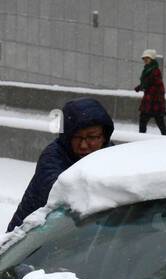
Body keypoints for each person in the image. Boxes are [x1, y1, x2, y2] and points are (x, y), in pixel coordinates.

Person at [7, 98, 113, 231]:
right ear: (66, 137)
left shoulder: (110, 154)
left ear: (104, 137)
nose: (84, 145)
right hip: (30, 237)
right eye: (77, 137)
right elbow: (68, 199)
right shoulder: (53, 158)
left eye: (92, 137)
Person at [135, 48, 166, 135]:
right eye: (144, 59)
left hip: (154, 100)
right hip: (150, 100)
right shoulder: (148, 69)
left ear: (152, 59)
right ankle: (141, 137)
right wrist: (140, 87)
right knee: (145, 120)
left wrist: (143, 87)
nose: (145, 60)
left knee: (158, 121)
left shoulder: (155, 70)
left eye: (147, 58)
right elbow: (147, 82)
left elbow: (154, 83)